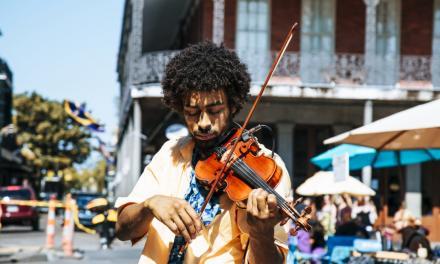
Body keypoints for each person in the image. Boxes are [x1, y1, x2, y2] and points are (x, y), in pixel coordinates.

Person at [115, 41, 293, 264]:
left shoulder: (267, 165)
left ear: (233, 105)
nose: (203, 123)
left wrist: (262, 234)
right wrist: (149, 205)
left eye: (215, 111)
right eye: (192, 112)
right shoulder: (169, 153)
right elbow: (122, 229)